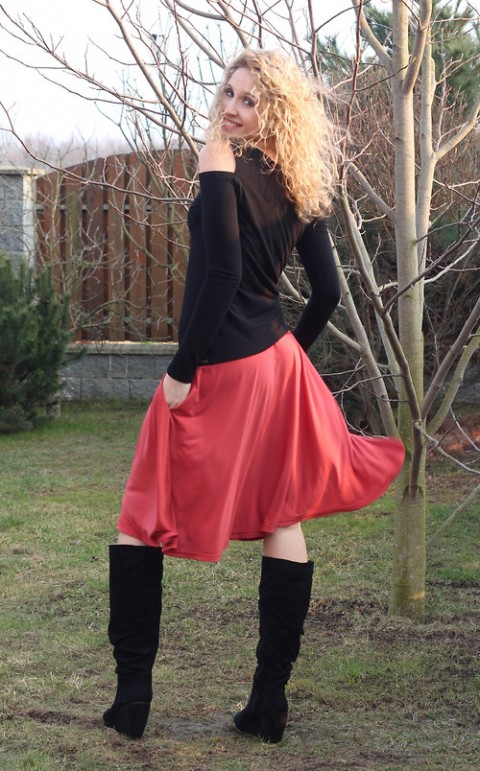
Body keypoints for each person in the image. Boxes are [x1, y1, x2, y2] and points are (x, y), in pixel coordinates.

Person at [102, 48, 404, 744]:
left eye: (250, 99)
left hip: (219, 367)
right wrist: (287, 351)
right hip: (275, 365)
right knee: (280, 515)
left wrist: (183, 367)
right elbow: (326, 294)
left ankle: (132, 699)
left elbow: (222, 276)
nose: (233, 109)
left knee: (139, 517)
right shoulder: (300, 180)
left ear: (275, 110)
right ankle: (268, 706)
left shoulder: (219, 159)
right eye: (229, 94)